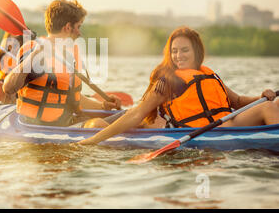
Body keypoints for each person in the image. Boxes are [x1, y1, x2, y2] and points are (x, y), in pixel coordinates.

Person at [79, 26, 278, 145]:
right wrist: (93, 140)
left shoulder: (207, 74)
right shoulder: (167, 81)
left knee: (270, 106)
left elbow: (238, 101)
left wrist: (261, 96)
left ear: (196, 51)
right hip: (190, 128)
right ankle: (93, 127)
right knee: (112, 122)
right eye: (174, 51)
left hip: (225, 124)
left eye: (184, 50)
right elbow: (137, 113)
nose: (178, 56)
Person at [2, 0, 121, 127]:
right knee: (98, 124)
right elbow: (8, 88)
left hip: (66, 124)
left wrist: (103, 106)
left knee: (125, 117)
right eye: (78, 26)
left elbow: (72, 97)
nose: (79, 32)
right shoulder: (35, 51)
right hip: (37, 126)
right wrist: (34, 54)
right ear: (68, 27)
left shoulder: (69, 55)